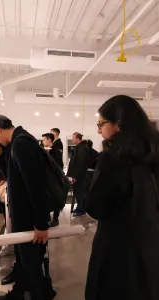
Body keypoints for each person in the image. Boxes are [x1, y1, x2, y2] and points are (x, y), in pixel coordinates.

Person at [85, 95, 159, 300]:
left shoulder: (113, 158)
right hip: (150, 244)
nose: (99, 130)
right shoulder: (153, 154)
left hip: (118, 249)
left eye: (101, 123)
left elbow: (95, 206)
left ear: (118, 125)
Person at [0, 114, 56, 300]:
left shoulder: (22, 143)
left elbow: (35, 186)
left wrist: (41, 224)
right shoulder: (16, 143)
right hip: (24, 217)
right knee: (25, 262)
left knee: (32, 266)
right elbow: (13, 177)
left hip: (30, 219)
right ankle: (19, 293)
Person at [42, 133, 63, 227]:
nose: (42, 142)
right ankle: (48, 218)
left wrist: (48, 154)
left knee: (55, 198)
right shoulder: (44, 151)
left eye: (44, 140)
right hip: (46, 179)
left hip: (54, 180)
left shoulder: (56, 152)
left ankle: (55, 219)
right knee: (47, 198)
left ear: (49, 140)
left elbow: (58, 166)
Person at [67, 132, 88, 217]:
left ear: (78, 138)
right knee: (78, 192)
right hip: (78, 175)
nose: (72, 139)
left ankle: (81, 209)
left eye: (73, 138)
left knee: (80, 192)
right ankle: (80, 207)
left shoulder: (82, 148)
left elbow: (80, 163)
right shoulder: (79, 148)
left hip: (80, 176)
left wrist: (75, 176)